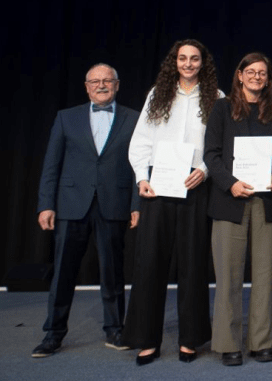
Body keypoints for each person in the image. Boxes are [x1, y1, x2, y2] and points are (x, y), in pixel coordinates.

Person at [123, 39, 224, 365]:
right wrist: (142, 178)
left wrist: (205, 171)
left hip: (195, 189)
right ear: (175, 62)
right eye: (183, 58)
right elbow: (141, 141)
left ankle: (190, 339)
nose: (189, 63)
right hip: (158, 190)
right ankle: (146, 340)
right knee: (149, 264)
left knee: (193, 266)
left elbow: (221, 145)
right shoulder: (158, 94)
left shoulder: (217, 98)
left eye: (195, 58)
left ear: (203, 62)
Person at [31, 64, 140, 358]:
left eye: (107, 81)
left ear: (117, 85)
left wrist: (135, 204)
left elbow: (138, 166)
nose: (101, 85)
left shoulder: (134, 118)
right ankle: (53, 334)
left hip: (113, 204)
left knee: (113, 272)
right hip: (71, 205)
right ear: (86, 86)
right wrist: (46, 204)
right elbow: (51, 165)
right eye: (95, 81)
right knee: (63, 273)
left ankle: (115, 330)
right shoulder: (66, 118)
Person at [204, 52, 272, 366]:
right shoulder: (221, 109)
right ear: (239, 75)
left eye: (262, 73)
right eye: (250, 71)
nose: (256, 77)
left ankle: (261, 342)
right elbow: (211, 154)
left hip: (267, 201)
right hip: (230, 201)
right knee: (228, 277)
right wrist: (230, 183)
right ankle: (227, 343)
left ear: (267, 78)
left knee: (265, 276)